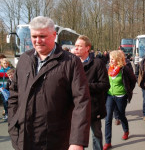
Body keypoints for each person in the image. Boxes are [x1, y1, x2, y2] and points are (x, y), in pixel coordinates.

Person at [8, 16, 91, 150]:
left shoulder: (71, 62)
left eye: (42, 36)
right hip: (23, 139)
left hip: (55, 139)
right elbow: (14, 95)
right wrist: (13, 124)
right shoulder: (24, 59)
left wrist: (77, 141)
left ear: (54, 35)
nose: (38, 41)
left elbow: (81, 102)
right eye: (34, 36)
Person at [74, 35, 110, 150]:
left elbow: (105, 85)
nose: (76, 48)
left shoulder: (97, 63)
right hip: (76, 108)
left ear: (87, 48)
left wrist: (85, 87)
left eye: (79, 46)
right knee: (77, 138)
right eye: (76, 46)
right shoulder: (72, 63)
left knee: (96, 135)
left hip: (93, 106)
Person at [103, 50, 136, 150]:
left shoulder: (124, 69)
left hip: (121, 96)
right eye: (110, 59)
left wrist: (127, 91)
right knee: (108, 118)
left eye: (112, 59)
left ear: (117, 59)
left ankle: (126, 131)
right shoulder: (108, 68)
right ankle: (108, 142)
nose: (110, 60)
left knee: (121, 115)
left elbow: (133, 80)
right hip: (109, 95)